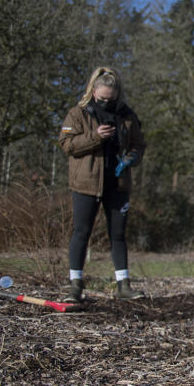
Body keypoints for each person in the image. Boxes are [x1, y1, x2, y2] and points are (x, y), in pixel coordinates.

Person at [58, 67, 146, 303]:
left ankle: (123, 285)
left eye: (111, 98)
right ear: (93, 90)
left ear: (118, 93)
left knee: (118, 234)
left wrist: (132, 157)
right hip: (86, 184)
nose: (107, 102)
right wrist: (96, 136)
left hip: (117, 184)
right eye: (102, 98)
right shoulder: (78, 114)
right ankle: (75, 286)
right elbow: (67, 144)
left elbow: (139, 144)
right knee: (81, 232)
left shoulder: (127, 116)